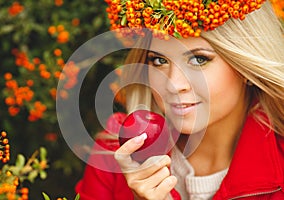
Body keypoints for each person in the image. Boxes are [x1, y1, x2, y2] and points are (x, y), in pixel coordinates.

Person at [75, 0, 284, 199]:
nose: (173, 84)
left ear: (246, 67)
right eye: (159, 60)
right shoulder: (114, 150)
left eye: (199, 59)